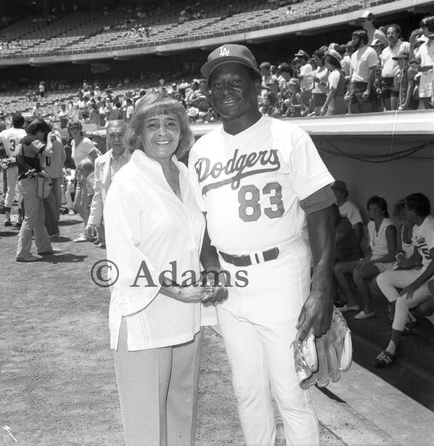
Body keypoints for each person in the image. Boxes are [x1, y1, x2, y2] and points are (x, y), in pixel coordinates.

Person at [189, 44, 336, 445]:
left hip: (281, 272)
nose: (226, 89)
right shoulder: (201, 149)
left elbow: (323, 211)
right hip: (230, 282)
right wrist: (209, 262)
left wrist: (321, 285)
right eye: (217, 82)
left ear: (258, 85)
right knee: (247, 391)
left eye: (237, 80)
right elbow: (202, 220)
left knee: (292, 391)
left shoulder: (289, 136)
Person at [103, 92, 225, 446]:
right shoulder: (127, 183)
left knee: (181, 417)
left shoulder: (185, 175)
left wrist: (211, 272)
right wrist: (178, 290)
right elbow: (125, 257)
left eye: (171, 124)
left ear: (182, 133)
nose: (162, 132)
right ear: (137, 133)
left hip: (187, 318)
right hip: (145, 315)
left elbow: (199, 232)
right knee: (146, 430)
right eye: (152, 125)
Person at [375, 193, 434, 367]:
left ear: (414, 211)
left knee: (402, 301)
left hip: (431, 276)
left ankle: (390, 350)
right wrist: (404, 264)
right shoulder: (417, 226)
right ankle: (407, 318)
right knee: (383, 278)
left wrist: (413, 285)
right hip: (423, 271)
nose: (404, 211)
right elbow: (418, 254)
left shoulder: (430, 226)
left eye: (407, 208)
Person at [335, 196, 397, 318]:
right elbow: (370, 249)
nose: (372, 212)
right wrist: (366, 260)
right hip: (373, 259)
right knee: (338, 269)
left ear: (383, 210)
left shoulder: (389, 227)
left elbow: (392, 256)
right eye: (370, 209)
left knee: (358, 274)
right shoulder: (371, 224)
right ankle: (352, 302)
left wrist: (369, 262)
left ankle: (368, 308)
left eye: (376, 209)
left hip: (385, 263)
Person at [15, 119, 60, 262]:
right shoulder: (31, 139)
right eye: (43, 132)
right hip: (29, 181)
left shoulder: (25, 140)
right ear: (38, 130)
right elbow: (49, 152)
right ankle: (22, 253)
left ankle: (44, 247)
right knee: (31, 217)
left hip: (29, 180)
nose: (44, 135)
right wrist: (50, 140)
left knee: (39, 216)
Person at [85, 120, 130, 247]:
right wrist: (92, 222)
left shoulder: (138, 159)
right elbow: (98, 193)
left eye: (120, 135)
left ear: (128, 135)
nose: (116, 139)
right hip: (112, 221)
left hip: (136, 220)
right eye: (112, 135)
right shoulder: (100, 162)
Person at [0, 113, 26, 227]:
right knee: (21, 190)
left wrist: (2, 152)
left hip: (10, 160)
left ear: (12, 122)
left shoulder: (5, 132)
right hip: (21, 162)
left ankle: (7, 218)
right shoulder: (23, 132)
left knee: (10, 190)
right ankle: (18, 218)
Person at [348, 29, 379, 114]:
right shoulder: (353, 55)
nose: (352, 41)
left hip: (364, 86)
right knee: (354, 116)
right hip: (354, 87)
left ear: (361, 40)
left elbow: (372, 71)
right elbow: (352, 73)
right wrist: (349, 91)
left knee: (367, 114)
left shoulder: (370, 52)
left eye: (354, 39)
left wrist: (368, 90)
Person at [331, 180, 364, 244]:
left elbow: (358, 228)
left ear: (343, 193)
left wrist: (355, 246)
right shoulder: (333, 207)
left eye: (335, 193)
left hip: (347, 244)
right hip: (335, 243)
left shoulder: (351, 207)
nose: (333, 196)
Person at [321, 50, 347, 116]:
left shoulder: (334, 73)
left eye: (327, 63)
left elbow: (332, 91)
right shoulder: (340, 72)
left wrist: (324, 106)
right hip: (340, 102)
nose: (326, 65)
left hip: (334, 103)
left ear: (332, 62)